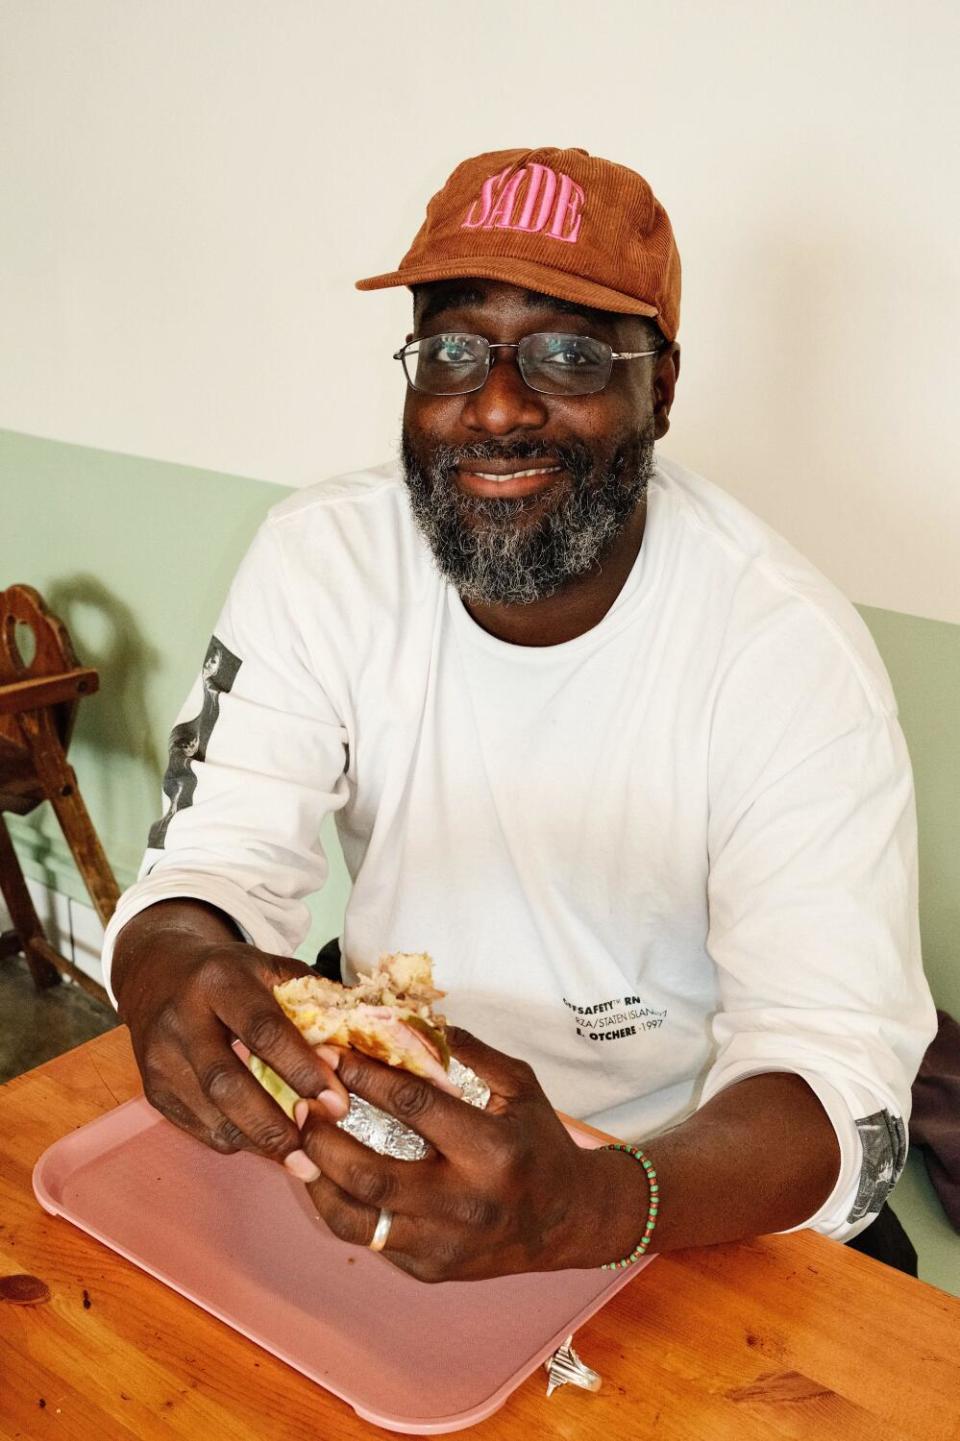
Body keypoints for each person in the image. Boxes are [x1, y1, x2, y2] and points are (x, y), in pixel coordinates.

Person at [104, 146, 936, 1282]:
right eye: (451, 349)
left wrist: (595, 1203)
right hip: (385, 1121)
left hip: (669, 1177)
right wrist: (167, 956)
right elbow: (213, 864)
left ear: (664, 387)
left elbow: (841, 1081)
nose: (496, 405)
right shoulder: (323, 560)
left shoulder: (784, 651)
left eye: (567, 353)